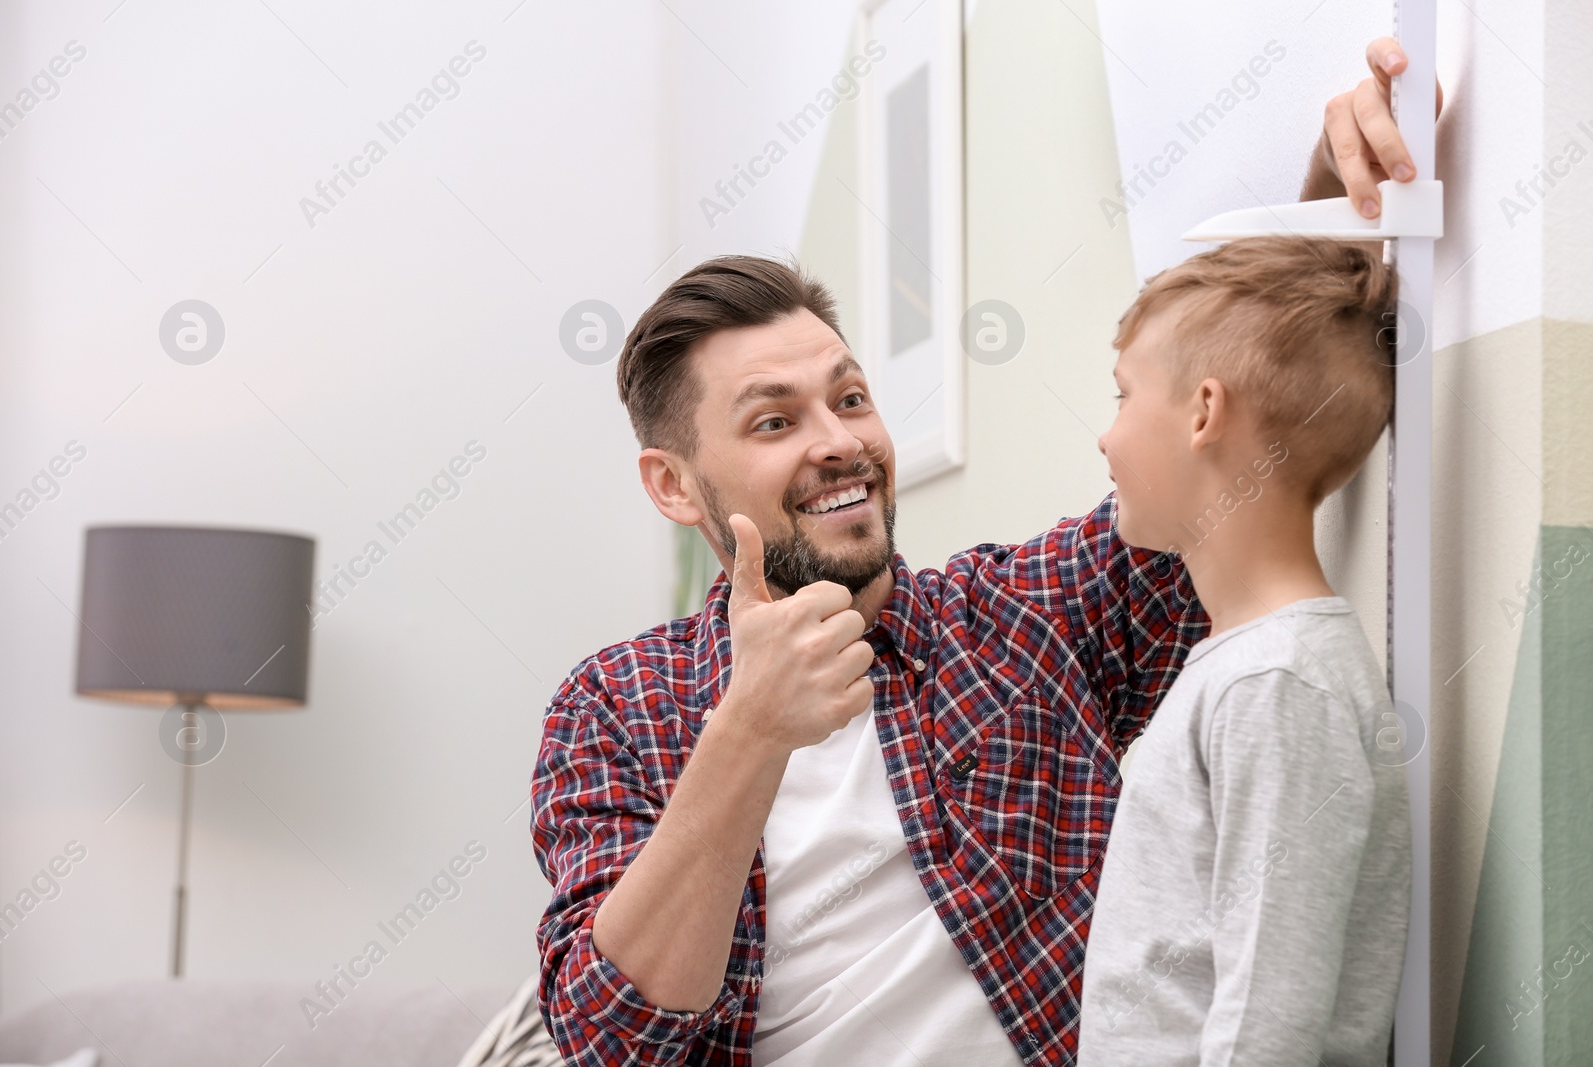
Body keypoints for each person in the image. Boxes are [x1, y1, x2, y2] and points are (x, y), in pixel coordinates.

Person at [530, 39, 1441, 1067]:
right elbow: (614, 1039)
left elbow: (1235, 452)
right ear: (672, 483)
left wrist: (1324, 205)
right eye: (773, 422)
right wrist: (746, 730)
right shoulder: (614, 707)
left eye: (850, 397)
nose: (837, 440)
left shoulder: (1028, 613)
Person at [1077, 236, 1412, 1065]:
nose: (1105, 440)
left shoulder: (1278, 684)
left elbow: (1271, 1017)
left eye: (1122, 397)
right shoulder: (1244, 666)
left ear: (1203, 412)